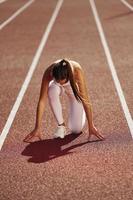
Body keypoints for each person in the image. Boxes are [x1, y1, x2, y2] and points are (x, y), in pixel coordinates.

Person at [24, 59, 104, 142]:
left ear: (68, 77)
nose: (60, 83)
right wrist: (37, 127)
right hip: (56, 89)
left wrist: (91, 125)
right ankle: (61, 125)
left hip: (73, 90)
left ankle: (79, 109)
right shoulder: (49, 72)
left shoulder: (77, 70)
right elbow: (42, 101)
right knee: (52, 90)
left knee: (76, 129)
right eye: (57, 81)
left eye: (62, 82)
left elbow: (86, 99)